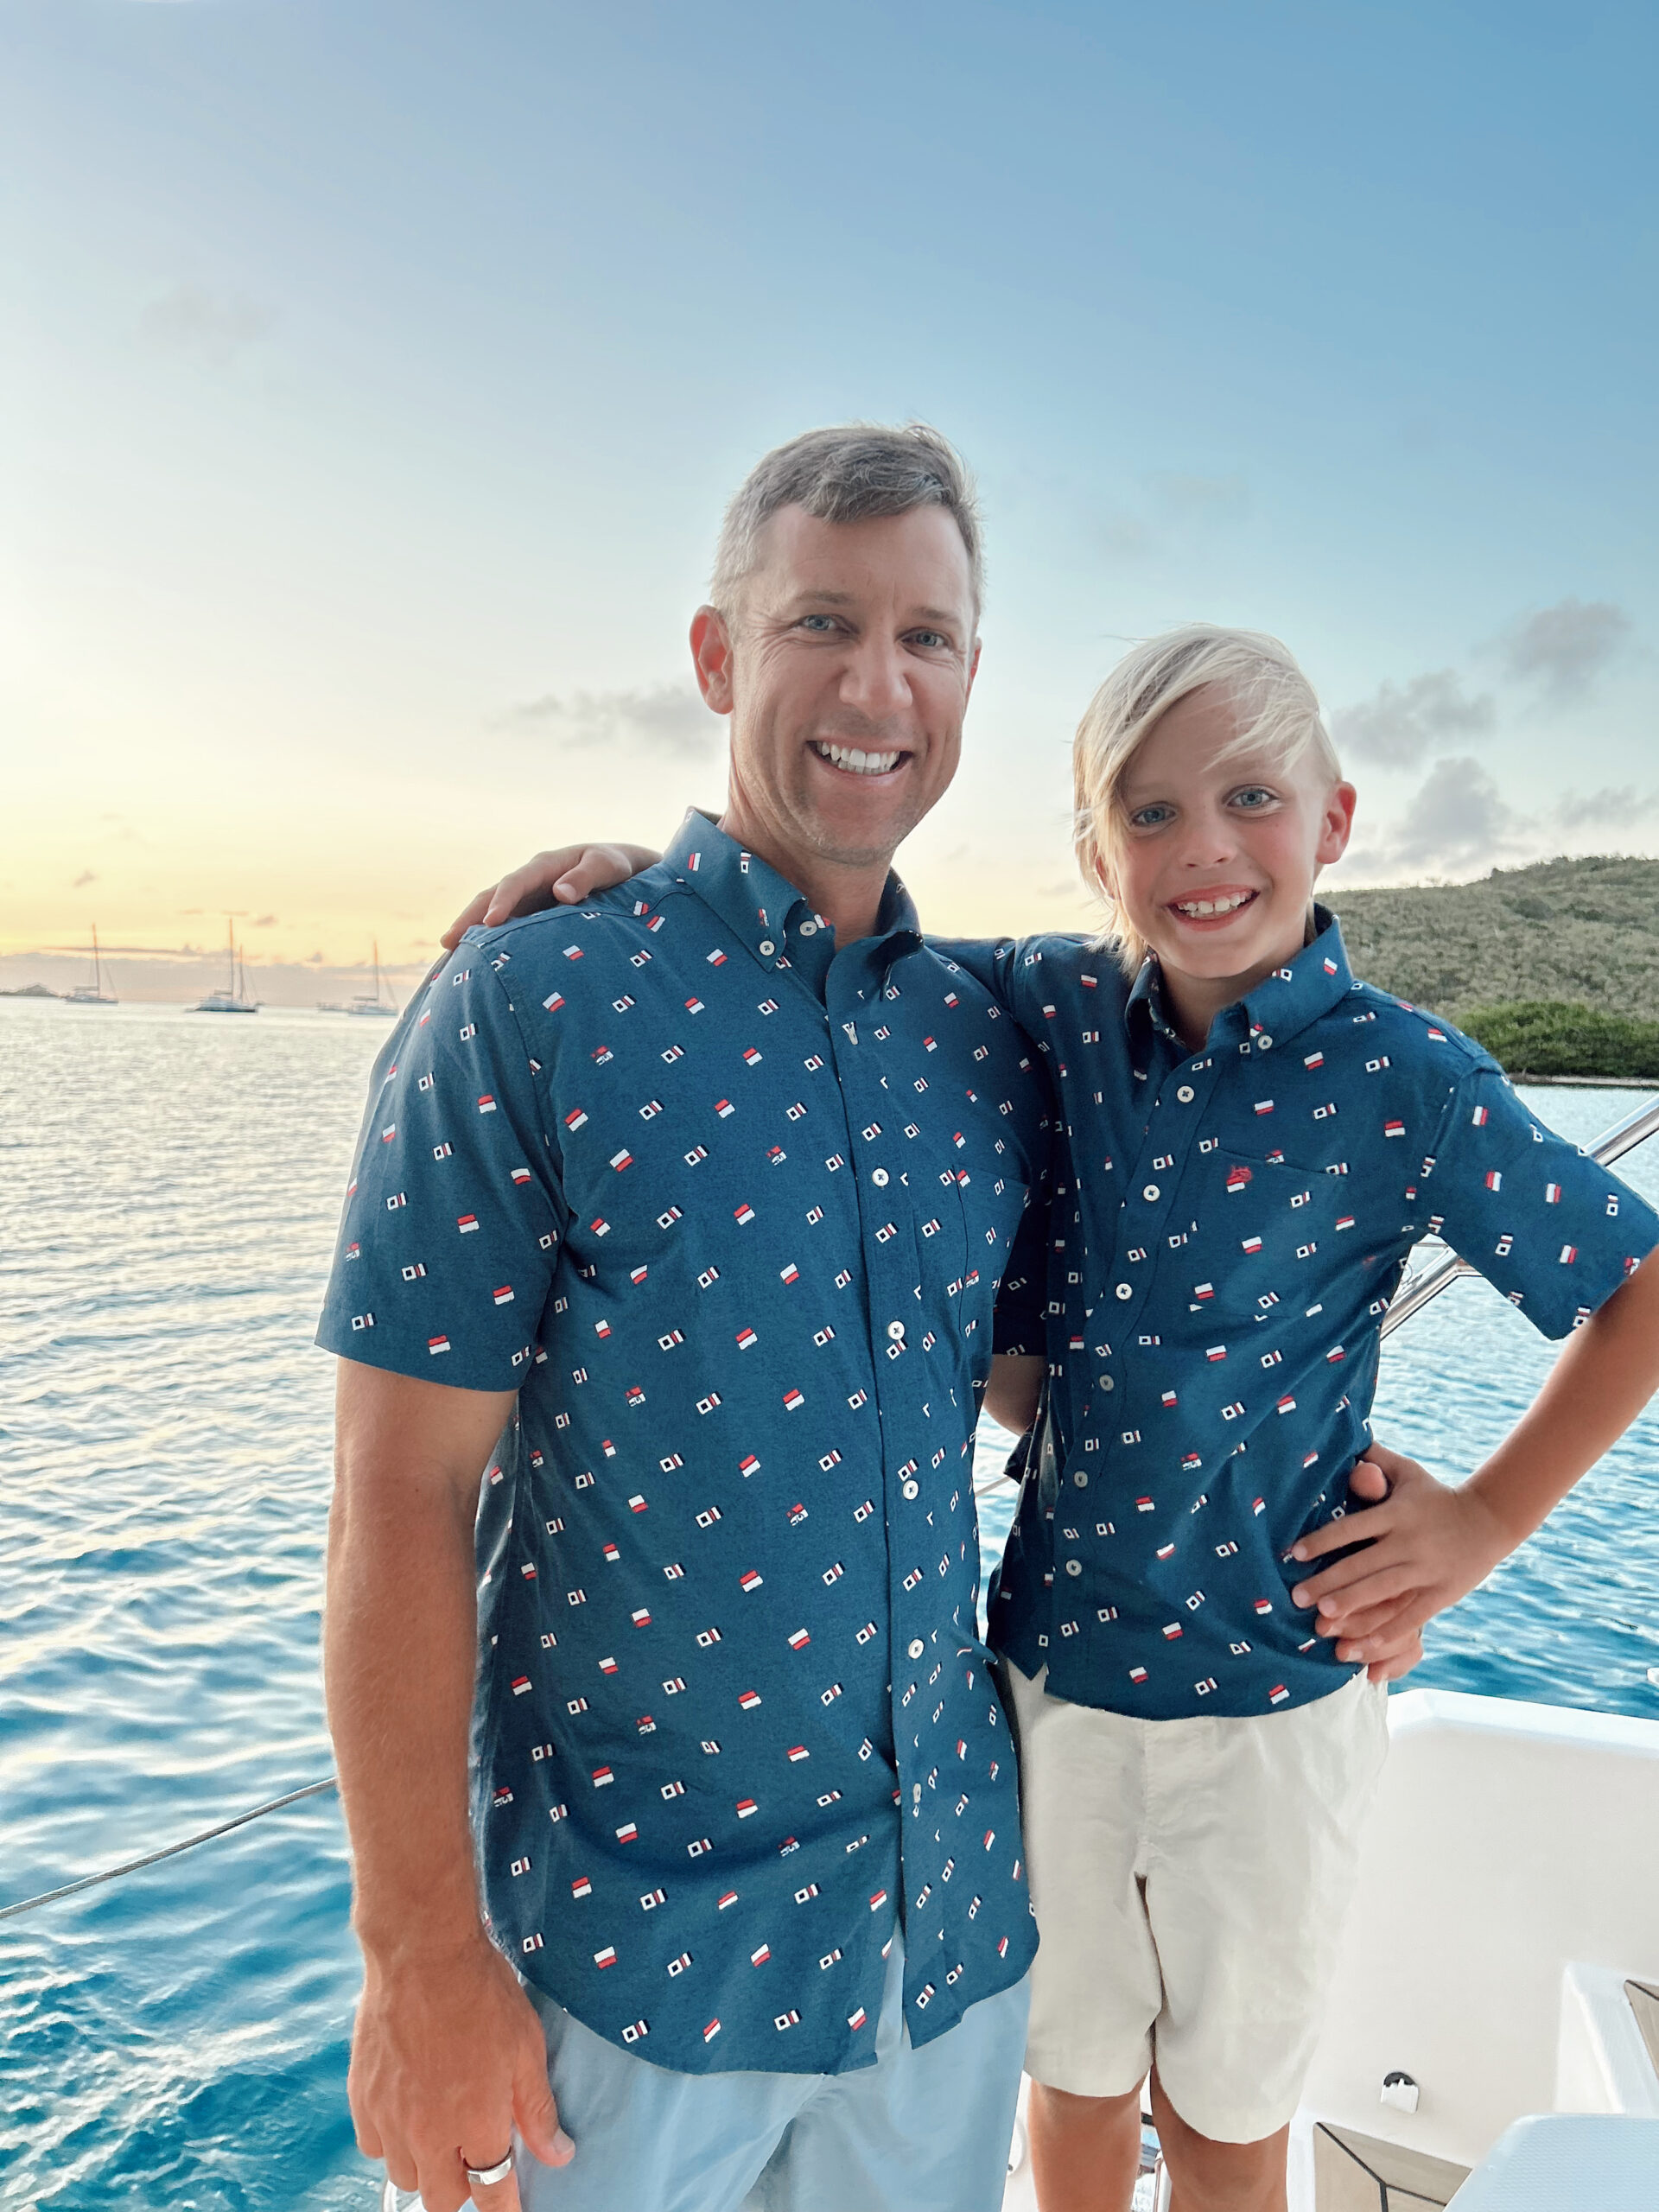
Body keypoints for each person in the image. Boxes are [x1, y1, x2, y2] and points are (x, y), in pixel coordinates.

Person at [471, 622, 1659, 2212]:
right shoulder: (1046, 1006)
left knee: (1233, 2122)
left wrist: (1483, 1523)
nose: (1206, 849)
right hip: (1049, 1691)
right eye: (1152, 814)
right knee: (1072, 2093)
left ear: (1338, 821)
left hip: (1277, 1700)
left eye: (1251, 798)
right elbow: (819, 950)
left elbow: (1633, 1287)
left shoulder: (1404, 1079)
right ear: (1097, 848)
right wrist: (650, 878)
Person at [316, 423, 1056, 2212]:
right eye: (824, 620)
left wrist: (1371, 1493)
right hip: (621, 1983)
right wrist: (419, 1959)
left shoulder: (994, 1038)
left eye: (929, 636)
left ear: (970, 674)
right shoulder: (536, 997)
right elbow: (397, 1499)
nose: (879, 682)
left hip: (943, 1950)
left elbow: (1048, 1388)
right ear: (720, 654)